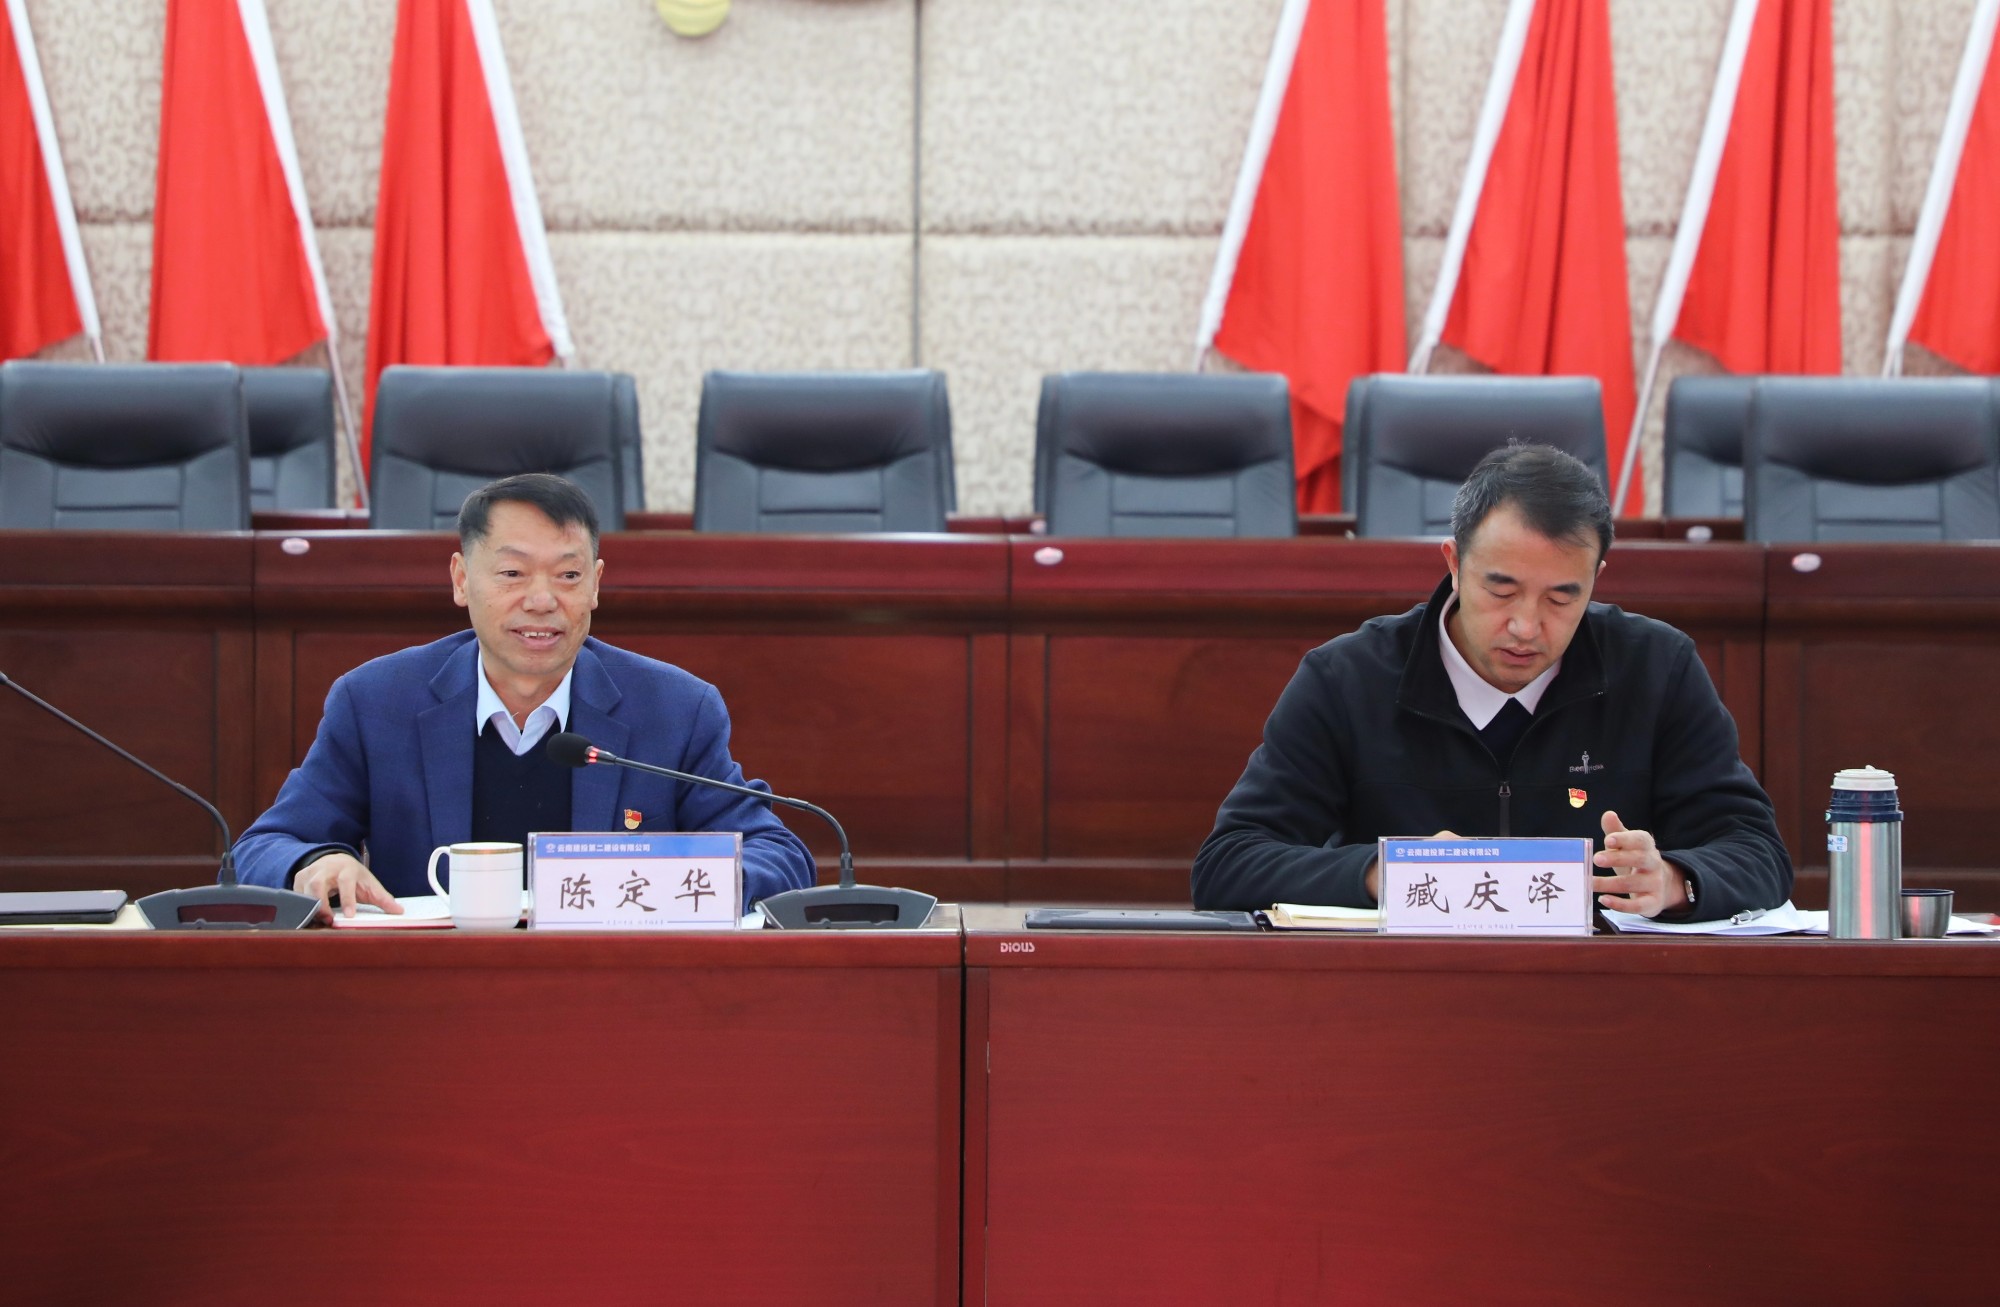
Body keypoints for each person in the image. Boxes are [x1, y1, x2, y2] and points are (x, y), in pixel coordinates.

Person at [1192, 443, 1791, 921]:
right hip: (1405, 997)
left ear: (1596, 579)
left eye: (1562, 598)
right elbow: (1228, 864)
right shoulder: (1347, 678)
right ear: (1454, 563)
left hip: (1599, 998)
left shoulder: (1657, 668)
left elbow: (1758, 852)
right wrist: (1385, 872)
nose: (1526, 627)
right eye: (1501, 590)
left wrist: (1676, 880)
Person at [235, 473, 815, 920]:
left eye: (568, 576)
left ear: (596, 585)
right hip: (425, 993)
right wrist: (316, 861)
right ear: (462, 580)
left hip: (608, 993)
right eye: (512, 574)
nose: (542, 601)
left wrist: (674, 885)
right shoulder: (376, 702)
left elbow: (778, 854)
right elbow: (265, 846)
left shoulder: (674, 709)